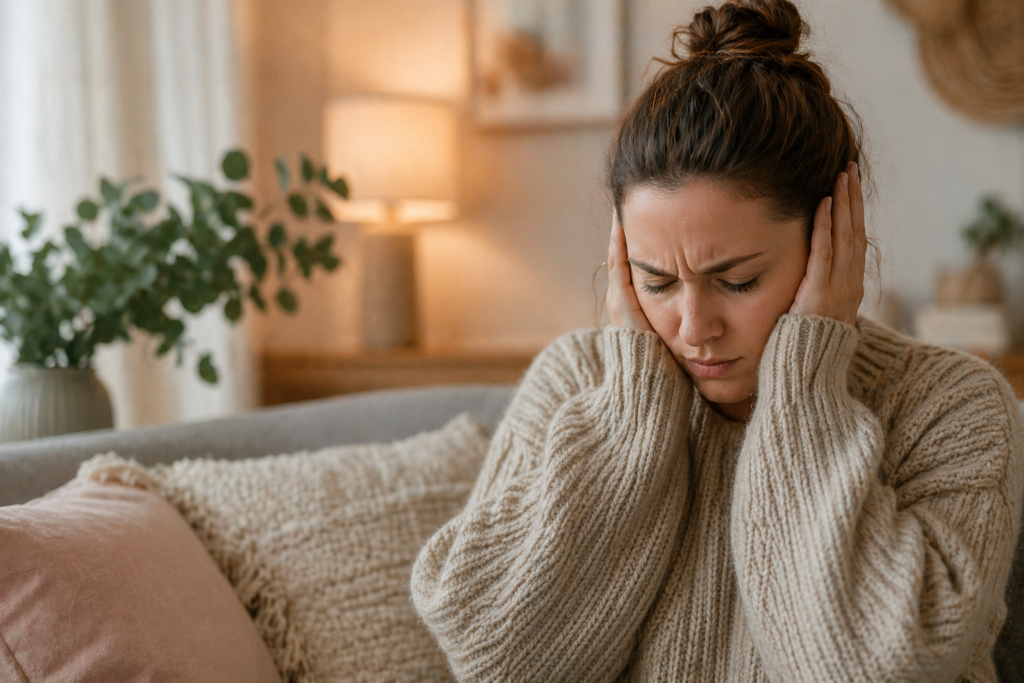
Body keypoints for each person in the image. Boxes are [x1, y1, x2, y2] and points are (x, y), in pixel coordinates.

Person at [411, 1, 1024, 680]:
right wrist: (632, 411)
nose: (693, 327)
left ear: (834, 239)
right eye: (657, 281)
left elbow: (870, 667)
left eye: (736, 281)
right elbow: (495, 661)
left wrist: (805, 383)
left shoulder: (953, 408)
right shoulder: (575, 381)